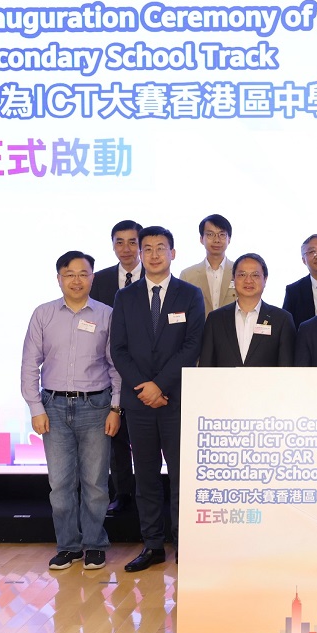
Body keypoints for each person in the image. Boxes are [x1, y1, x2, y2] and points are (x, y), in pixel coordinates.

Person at [110, 226, 205, 572]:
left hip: (176, 400)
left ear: (172, 253)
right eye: (146, 248)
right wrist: (144, 388)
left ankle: (184, 544)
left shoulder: (190, 294)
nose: (152, 254)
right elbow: (118, 349)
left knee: (181, 477)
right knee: (146, 476)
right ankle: (152, 545)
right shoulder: (126, 297)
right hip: (139, 404)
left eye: (160, 248)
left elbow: (192, 345)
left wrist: (160, 386)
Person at [22, 251, 121, 571]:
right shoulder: (43, 314)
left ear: (93, 277)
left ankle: (94, 544)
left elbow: (116, 366)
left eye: (83, 273)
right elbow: (29, 364)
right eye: (69, 274)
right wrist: (36, 407)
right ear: (59, 278)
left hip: (97, 406)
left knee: (95, 483)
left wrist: (116, 407)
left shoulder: (107, 314)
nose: (77, 280)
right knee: (61, 483)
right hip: (53, 406)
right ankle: (67, 545)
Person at [88, 219, 141, 516]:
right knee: (116, 438)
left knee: (147, 440)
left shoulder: (155, 276)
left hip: (148, 373)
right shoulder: (102, 280)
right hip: (109, 371)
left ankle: (149, 494)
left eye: (132, 242)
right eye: (119, 242)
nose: (126, 248)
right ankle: (123, 494)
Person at [199, 253, 296, 368]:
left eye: (255, 275)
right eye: (242, 275)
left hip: (266, 386)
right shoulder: (215, 319)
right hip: (224, 385)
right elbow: (205, 367)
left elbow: (286, 368)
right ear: (233, 279)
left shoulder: (282, 319)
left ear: (265, 279)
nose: (248, 280)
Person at [179, 214, 236, 316]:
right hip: (200, 331)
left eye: (222, 234)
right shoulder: (187, 275)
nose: (216, 240)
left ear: (229, 239)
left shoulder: (239, 272)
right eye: (210, 234)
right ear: (201, 239)